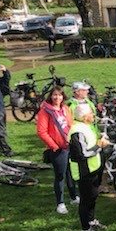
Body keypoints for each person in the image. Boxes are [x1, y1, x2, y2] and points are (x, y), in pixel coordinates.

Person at [68, 103, 109, 231]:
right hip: (84, 171)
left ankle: (91, 221)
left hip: (92, 168)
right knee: (86, 200)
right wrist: (99, 146)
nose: (93, 115)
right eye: (91, 113)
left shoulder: (86, 126)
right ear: (85, 117)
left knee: (92, 196)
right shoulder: (77, 132)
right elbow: (82, 153)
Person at [36, 86, 78, 214]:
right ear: (50, 96)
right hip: (58, 149)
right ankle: (60, 203)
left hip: (69, 145)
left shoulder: (65, 108)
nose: (57, 97)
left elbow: (71, 124)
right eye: (55, 95)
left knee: (70, 172)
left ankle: (74, 197)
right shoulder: (45, 111)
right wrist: (53, 146)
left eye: (59, 95)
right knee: (60, 175)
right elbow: (42, 131)